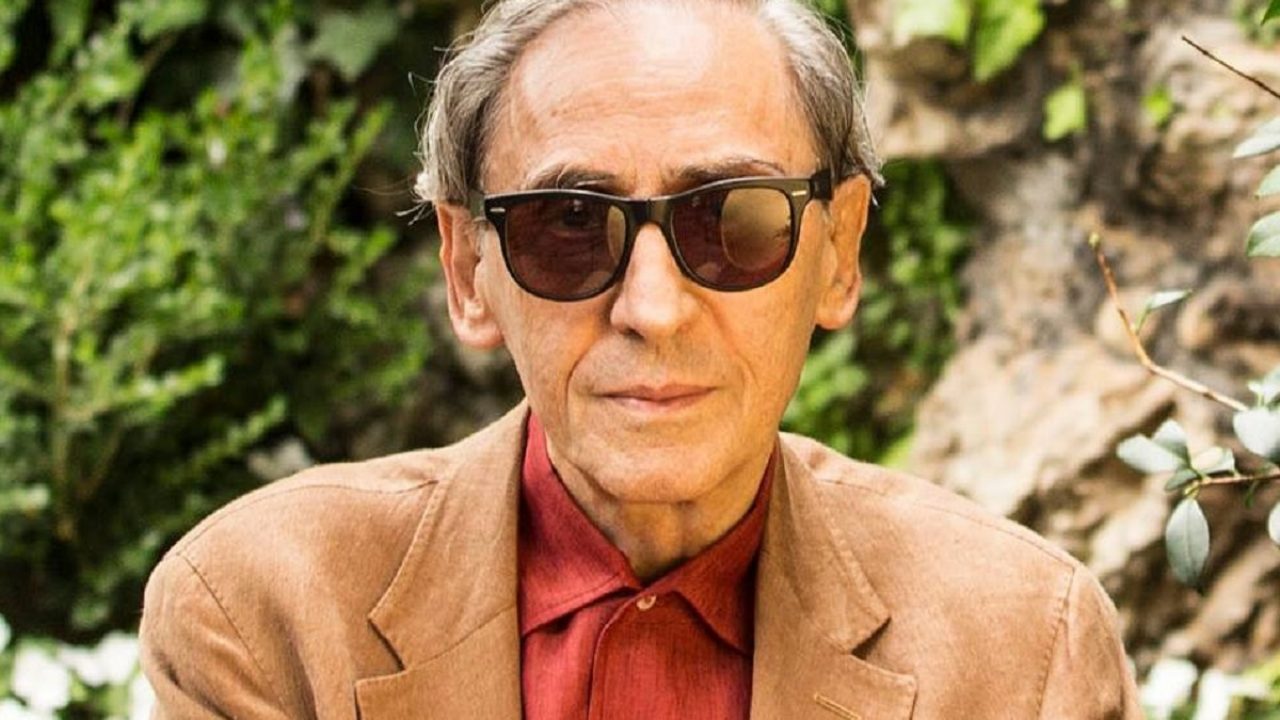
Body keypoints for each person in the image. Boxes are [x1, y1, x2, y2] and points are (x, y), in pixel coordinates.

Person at [139, 0, 1144, 717]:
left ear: (839, 251)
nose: (652, 310)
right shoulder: (267, 610)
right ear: (468, 269)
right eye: (569, 225)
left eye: (732, 221)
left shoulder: (1021, 648)